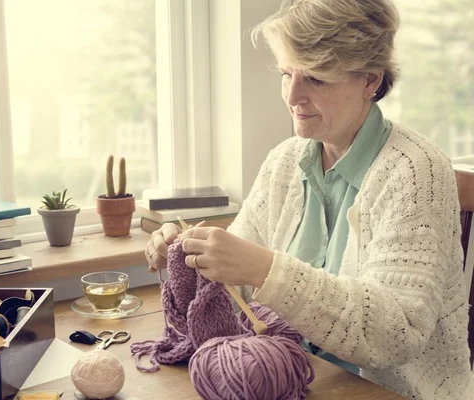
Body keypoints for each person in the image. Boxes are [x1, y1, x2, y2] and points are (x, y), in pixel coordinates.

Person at [144, 0, 474, 399]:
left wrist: (266, 269)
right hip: (292, 377)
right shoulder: (285, 161)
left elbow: (395, 336)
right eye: (287, 74)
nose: (293, 96)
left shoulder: (417, 172)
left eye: (316, 78)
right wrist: (193, 255)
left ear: (370, 80)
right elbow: (237, 294)